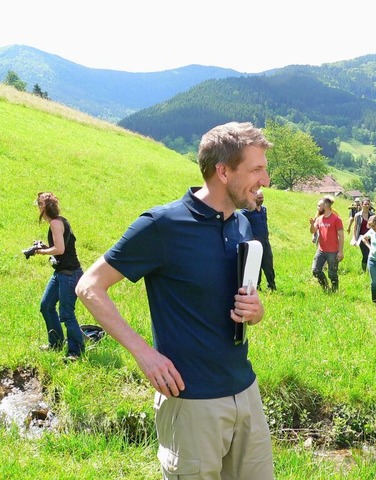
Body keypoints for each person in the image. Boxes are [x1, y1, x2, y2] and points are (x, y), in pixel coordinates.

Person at [76, 122, 275, 480]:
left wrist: (255, 311)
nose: (266, 180)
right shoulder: (162, 225)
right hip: (191, 402)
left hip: (245, 391)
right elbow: (89, 286)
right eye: (257, 169)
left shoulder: (242, 224)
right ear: (223, 170)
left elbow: (234, 302)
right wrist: (145, 354)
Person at [32, 192, 85, 362]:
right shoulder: (60, 221)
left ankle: (75, 352)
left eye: (38, 204)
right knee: (46, 305)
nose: (37, 207)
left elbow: (60, 249)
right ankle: (56, 343)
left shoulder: (55, 223)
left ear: (43, 208)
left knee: (67, 314)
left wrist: (41, 251)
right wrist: (45, 247)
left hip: (69, 275)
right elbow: (60, 248)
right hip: (61, 273)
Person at [241, 188, 276, 291]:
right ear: (254, 198)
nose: (261, 199)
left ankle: (272, 286)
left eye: (262, 198)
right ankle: (256, 286)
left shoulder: (264, 210)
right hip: (255, 242)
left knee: (268, 265)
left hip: (265, 241)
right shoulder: (247, 211)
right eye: (259, 198)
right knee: (256, 266)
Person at [309, 196, 344, 292]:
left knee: (332, 274)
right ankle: (325, 287)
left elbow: (341, 236)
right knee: (315, 270)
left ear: (325, 206)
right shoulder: (319, 219)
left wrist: (340, 252)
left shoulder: (336, 219)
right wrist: (312, 225)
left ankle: (334, 291)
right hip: (321, 250)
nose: (317, 207)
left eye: (319, 205)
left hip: (333, 252)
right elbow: (312, 231)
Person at [351, 197, 374, 272]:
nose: (367, 206)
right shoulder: (357, 215)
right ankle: (364, 270)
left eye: (368, 204)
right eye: (365, 204)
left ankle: (370, 269)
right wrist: (354, 238)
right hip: (362, 238)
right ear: (361, 205)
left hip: (371, 237)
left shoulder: (373, 215)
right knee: (365, 254)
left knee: (372, 254)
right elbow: (355, 228)